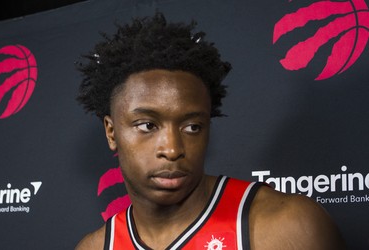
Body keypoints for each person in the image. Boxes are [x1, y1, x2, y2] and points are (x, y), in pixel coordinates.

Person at [75, 12, 345, 250]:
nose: (172, 149)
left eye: (192, 126)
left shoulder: (289, 227)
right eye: (148, 125)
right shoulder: (94, 247)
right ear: (111, 132)